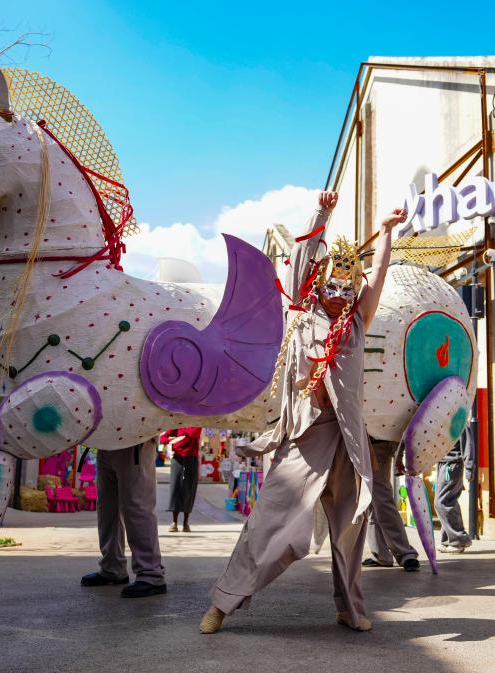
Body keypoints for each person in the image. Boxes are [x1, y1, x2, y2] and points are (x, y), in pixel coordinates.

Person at [199, 191, 407, 634]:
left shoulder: (356, 321)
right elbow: (299, 260)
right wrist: (322, 213)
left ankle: (350, 609)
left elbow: (379, 275)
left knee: (350, 527)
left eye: (347, 289)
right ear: (319, 284)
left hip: (347, 440)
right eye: (332, 286)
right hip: (305, 436)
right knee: (271, 520)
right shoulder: (302, 311)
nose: (338, 295)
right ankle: (222, 603)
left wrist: (386, 231)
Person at [79, 440, 167, 598]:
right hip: (107, 442)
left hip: (135, 439)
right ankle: (112, 567)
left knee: (138, 506)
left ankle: (150, 573)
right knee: (107, 507)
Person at [363, 438, 420, 571]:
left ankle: (405, 553)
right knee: (370, 501)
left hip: (374, 443)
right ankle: (381, 554)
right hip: (369, 442)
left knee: (381, 499)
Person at [434, 429, 474, 554]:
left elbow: (468, 445)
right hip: (443, 463)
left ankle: (460, 539)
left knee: (442, 502)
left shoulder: (460, 421)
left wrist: (469, 468)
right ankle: (448, 540)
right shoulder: (442, 421)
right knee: (448, 501)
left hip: (451, 465)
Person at [160, 427, 202, 533]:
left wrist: (180, 432)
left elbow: (192, 433)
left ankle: (185, 522)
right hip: (177, 458)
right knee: (175, 488)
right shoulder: (177, 424)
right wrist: (171, 439)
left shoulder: (196, 423)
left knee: (189, 489)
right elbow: (162, 438)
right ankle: (174, 522)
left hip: (191, 458)